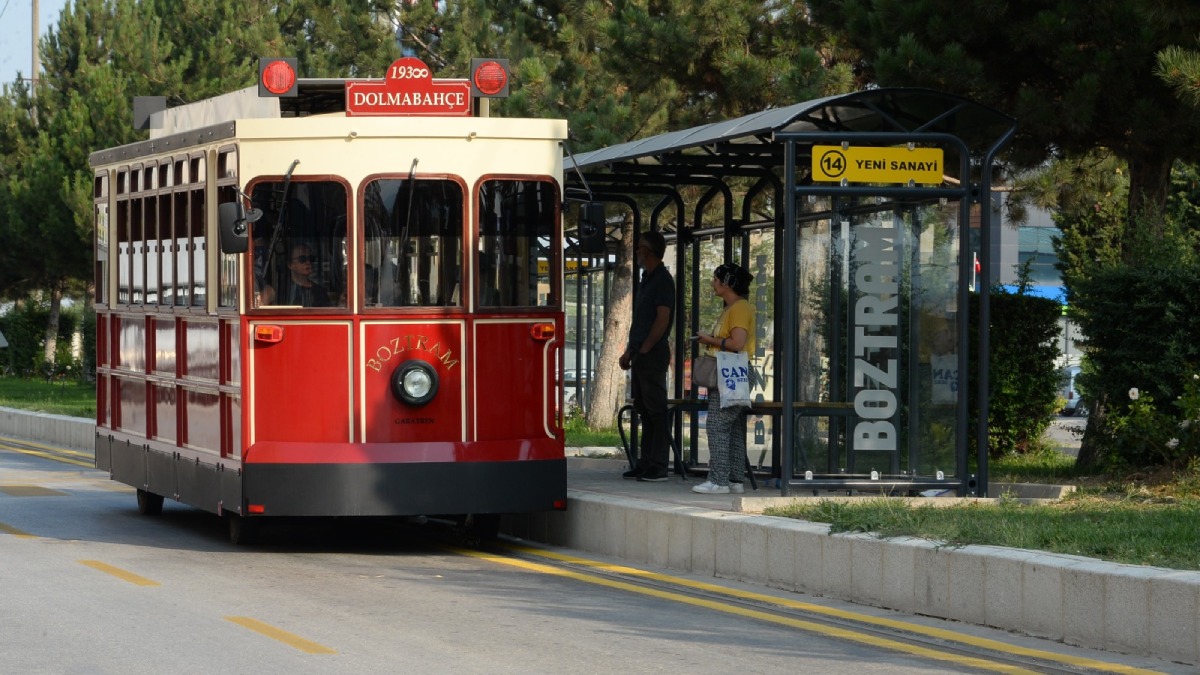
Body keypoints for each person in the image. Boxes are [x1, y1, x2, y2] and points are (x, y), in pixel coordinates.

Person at [692, 262, 755, 494]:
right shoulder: (733, 308)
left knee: (717, 424)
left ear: (727, 283)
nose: (713, 283)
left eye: (716, 279)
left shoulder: (738, 308)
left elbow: (737, 343)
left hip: (731, 373)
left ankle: (718, 481)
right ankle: (734, 479)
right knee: (734, 427)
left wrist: (709, 341)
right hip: (734, 373)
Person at [619, 231, 675, 482]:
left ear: (649, 252)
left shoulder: (663, 280)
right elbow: (641, 321)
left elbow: (662, 318)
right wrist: (630, 351)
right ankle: (645, 461)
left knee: (656, 409)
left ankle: (659, 464)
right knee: (644, 409)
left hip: (652, 353)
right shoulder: (646, 279)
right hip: (640, 353)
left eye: (640, 248)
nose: (637, 252)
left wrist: (646, 348)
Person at [261, 242, 331, 307]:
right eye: (302, 259)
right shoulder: (276, 288)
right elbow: (260, 309)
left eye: (311, 258)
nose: (308, 262)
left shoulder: (321, 292)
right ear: (290, 264)